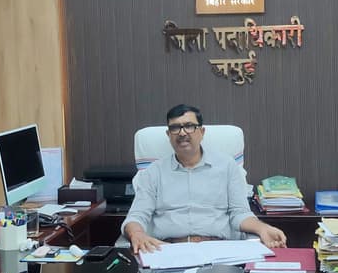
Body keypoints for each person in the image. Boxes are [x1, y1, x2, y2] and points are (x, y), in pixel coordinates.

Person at [123, 104, 287, 254]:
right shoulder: (154, 172)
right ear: (168, 134)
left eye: (189, 126)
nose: (182, 133)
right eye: (175, 128)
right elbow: (136, 216)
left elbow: (240, 213)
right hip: (167, 250)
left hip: (218, 251)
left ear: (201, 132)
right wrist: (137, 234)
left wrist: (262, 228)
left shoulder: (227, 166)